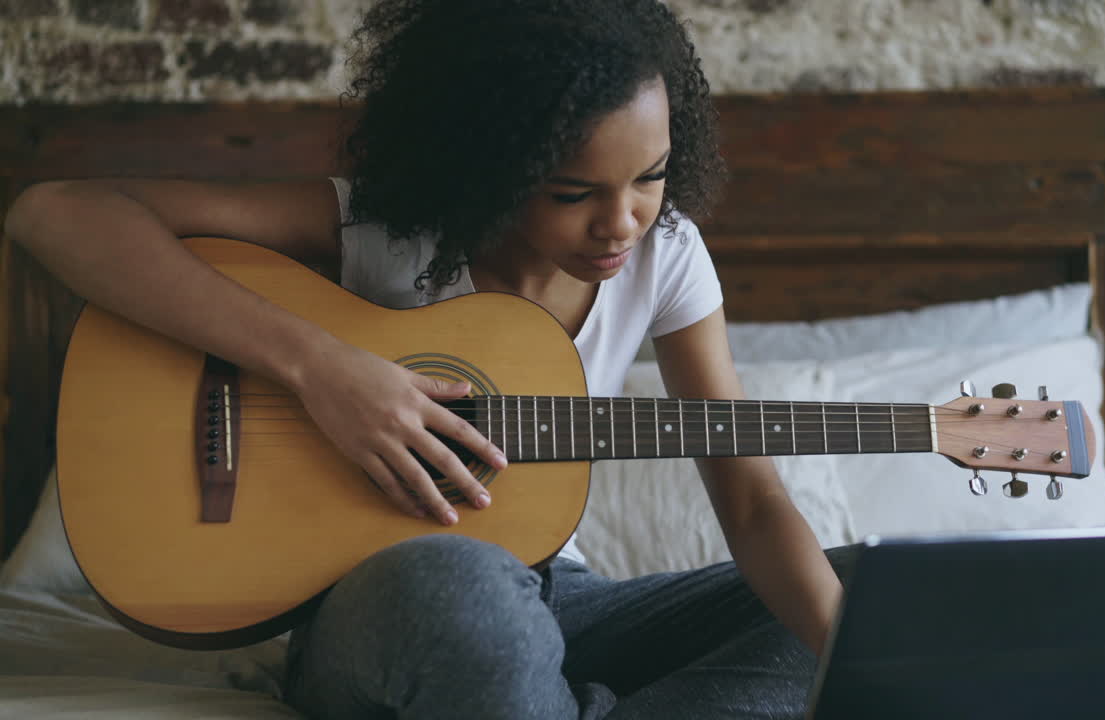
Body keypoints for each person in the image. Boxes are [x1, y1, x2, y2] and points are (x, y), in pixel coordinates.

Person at [5, 0, 854, 717]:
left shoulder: (667, 257)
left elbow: (752, 502)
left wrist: (851, 662)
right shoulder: (383, 233)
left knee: (855, 597)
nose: (622, 222)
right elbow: (56, 213)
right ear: (492, 164)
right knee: (469, 595)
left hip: (560, 598)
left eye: (651, 177)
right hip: (393, 605)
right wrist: (323, 369)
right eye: (573, 192)